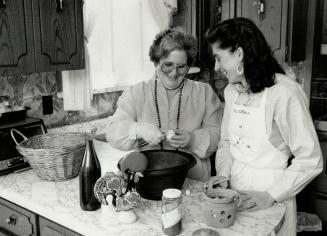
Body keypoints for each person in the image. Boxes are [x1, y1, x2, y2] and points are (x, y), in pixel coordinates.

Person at [206, 17, 323, 235]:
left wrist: (270, 194)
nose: (216, 67)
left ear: (239, 54)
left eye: (219, 58)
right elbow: (227, 143)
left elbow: (311, 159)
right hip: (235, 192)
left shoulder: (285, 92)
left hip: (273, 192)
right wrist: (223, 176)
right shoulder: (232, 92)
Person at [105, 28, 222, 181]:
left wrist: (193, 140)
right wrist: (138, 129)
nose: (174, 73)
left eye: (181, 66)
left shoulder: (205, 93)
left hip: (193, 180)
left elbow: (219, 136)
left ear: (188, 65)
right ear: (157, 62)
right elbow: (112, 133)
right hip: (148, 180)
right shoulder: (136, 93)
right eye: (168, 65)